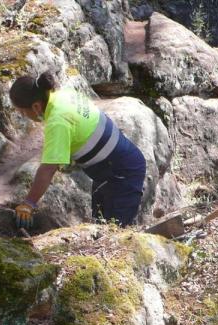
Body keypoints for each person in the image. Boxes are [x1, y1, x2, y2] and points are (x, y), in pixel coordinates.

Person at [9, 72, 147, 228]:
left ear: (36, 106)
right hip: (111, 168)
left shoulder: (58, 122)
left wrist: (29, 203)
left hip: (122, 174)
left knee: (114, 232)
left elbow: (48, 169)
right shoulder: (63, 95)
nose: (24, 116)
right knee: (100, 224)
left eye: (22, 112)